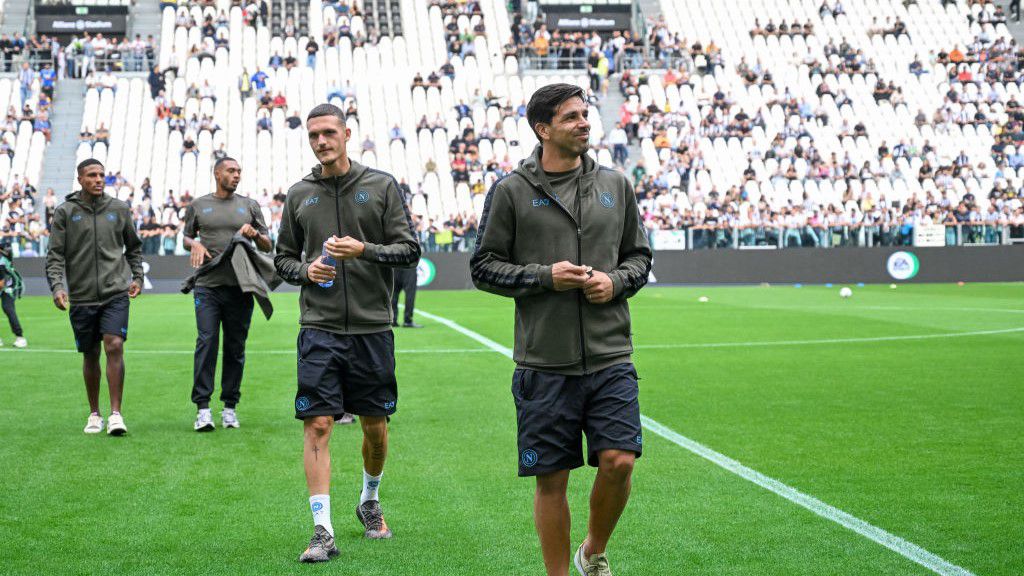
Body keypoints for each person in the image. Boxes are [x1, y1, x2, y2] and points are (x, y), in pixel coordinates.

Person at [470, 84, 652, 576]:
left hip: (611, 355)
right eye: (571, 117)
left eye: (585, 114)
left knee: (619, 462)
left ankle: (592, 550)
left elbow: (640, 258)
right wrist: (543, 277)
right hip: (544, 363)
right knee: (552, 479)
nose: (584, 123)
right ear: (543, 129)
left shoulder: (616, 185)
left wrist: (614, 282)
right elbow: (483, 267)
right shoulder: (510, 191)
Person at [274, 103, 420, 563]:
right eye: (313, 135)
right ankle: (322, 530)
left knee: (375, 429)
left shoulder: (380, 186)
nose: (320, 141)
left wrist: (364, 250)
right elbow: (281, 259)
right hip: (318, 328)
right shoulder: (299, 194)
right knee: (318, 424)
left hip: (373, 327)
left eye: (328, 133)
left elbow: (410, 250)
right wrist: (304, 270)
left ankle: (369, 500)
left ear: (347, 134)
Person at [45, 159, 144, 436]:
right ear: (80, 179)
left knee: (114, 345)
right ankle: (94, 413)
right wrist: (57, 286)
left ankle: (115, 414)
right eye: (92, 175)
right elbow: (55, 255)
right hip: (81, 296)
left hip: (115, 293)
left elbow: (133, 248)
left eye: (102, 175)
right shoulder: (65, 212)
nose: (99, 179)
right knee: (90, 354)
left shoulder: (119, 209)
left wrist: (137, 277)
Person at [182, 158, 271, 432]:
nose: (236, 176)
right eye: (231, 171)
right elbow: (185, 237)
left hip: (241, 288)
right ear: (217, 173)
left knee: (235, 348)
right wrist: (194, 243)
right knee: (206, 343)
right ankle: (203, 409)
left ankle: (230, 408)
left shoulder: (249, 205)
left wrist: (254, 233)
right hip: (207, 286)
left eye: (239, 172)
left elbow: (268, 244)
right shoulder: (198, 205)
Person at [0, 239, 27, 348]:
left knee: (8, 309)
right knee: (9, 310)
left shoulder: (1, 262)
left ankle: (20, 337)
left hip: (8, 289)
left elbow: (1, 283)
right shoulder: (6, 258)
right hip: (8, 287)